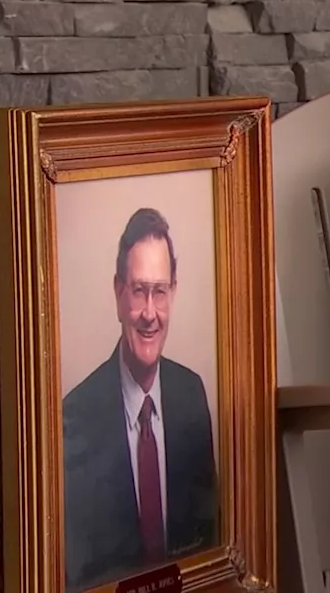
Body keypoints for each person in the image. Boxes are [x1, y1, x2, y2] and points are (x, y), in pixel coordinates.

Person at [62, 207, 217, 590]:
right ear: (118, 293)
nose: (150, 313)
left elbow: (209, 540)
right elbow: (80, 574)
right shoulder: (74, 416)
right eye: (138, 291)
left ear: (173, 292)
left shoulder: (191, 394)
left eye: (159, 292)